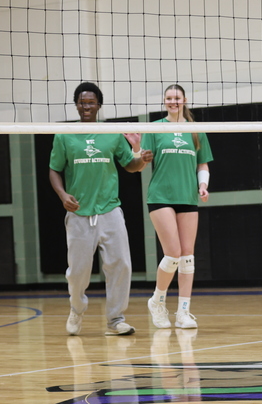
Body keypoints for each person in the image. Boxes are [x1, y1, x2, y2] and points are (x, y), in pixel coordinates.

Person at [49, 82, 153, 337]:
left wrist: (142, 160)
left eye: (91, 102)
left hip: (110, 209)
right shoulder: (64, 134)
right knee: (77, 273)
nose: (86, 106)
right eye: (82, 102)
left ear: (98, 105)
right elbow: (54, 170)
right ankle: (76, 309)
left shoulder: (112, 133)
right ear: (76, 105)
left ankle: (116, 318)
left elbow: (130, 165)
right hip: (79, 213)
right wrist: (63, 195)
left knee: (121, 265)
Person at [143, 84, 214, 329]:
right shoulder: (153, 128)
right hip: (161, 196)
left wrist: (202, 185)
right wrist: (136, 150)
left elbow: (202, 164)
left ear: (184, 100)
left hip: (188, 196)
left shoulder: (195, 130)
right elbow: (142, 161)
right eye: (169, 98)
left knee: (187, 257)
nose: (173, 101)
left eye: (177, 97)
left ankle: (183, 312)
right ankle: (157, 300)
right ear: (164, 101)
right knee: (172, 253)